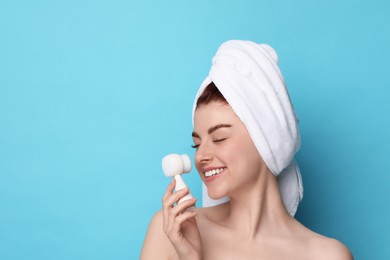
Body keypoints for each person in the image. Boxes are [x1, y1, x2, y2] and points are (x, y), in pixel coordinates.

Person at [140, 40, 353, 259]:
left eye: (219, 138)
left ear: (266, 138)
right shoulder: (172, 233)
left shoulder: (327, 255)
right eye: (197, 144)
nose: (201, 156)